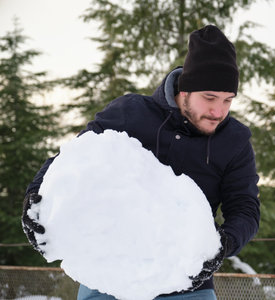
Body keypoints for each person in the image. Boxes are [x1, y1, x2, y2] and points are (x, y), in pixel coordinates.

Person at [21, 25, 260, 299]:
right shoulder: (130, 113)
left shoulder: (234, 140)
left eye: (227, 100)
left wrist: (223, 244)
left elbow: (244, 207)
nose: (218, 111)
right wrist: (34, 197)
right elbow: (70, 160)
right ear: (185, 91)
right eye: (209, 98)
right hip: (109, 277)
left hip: (187, 282)